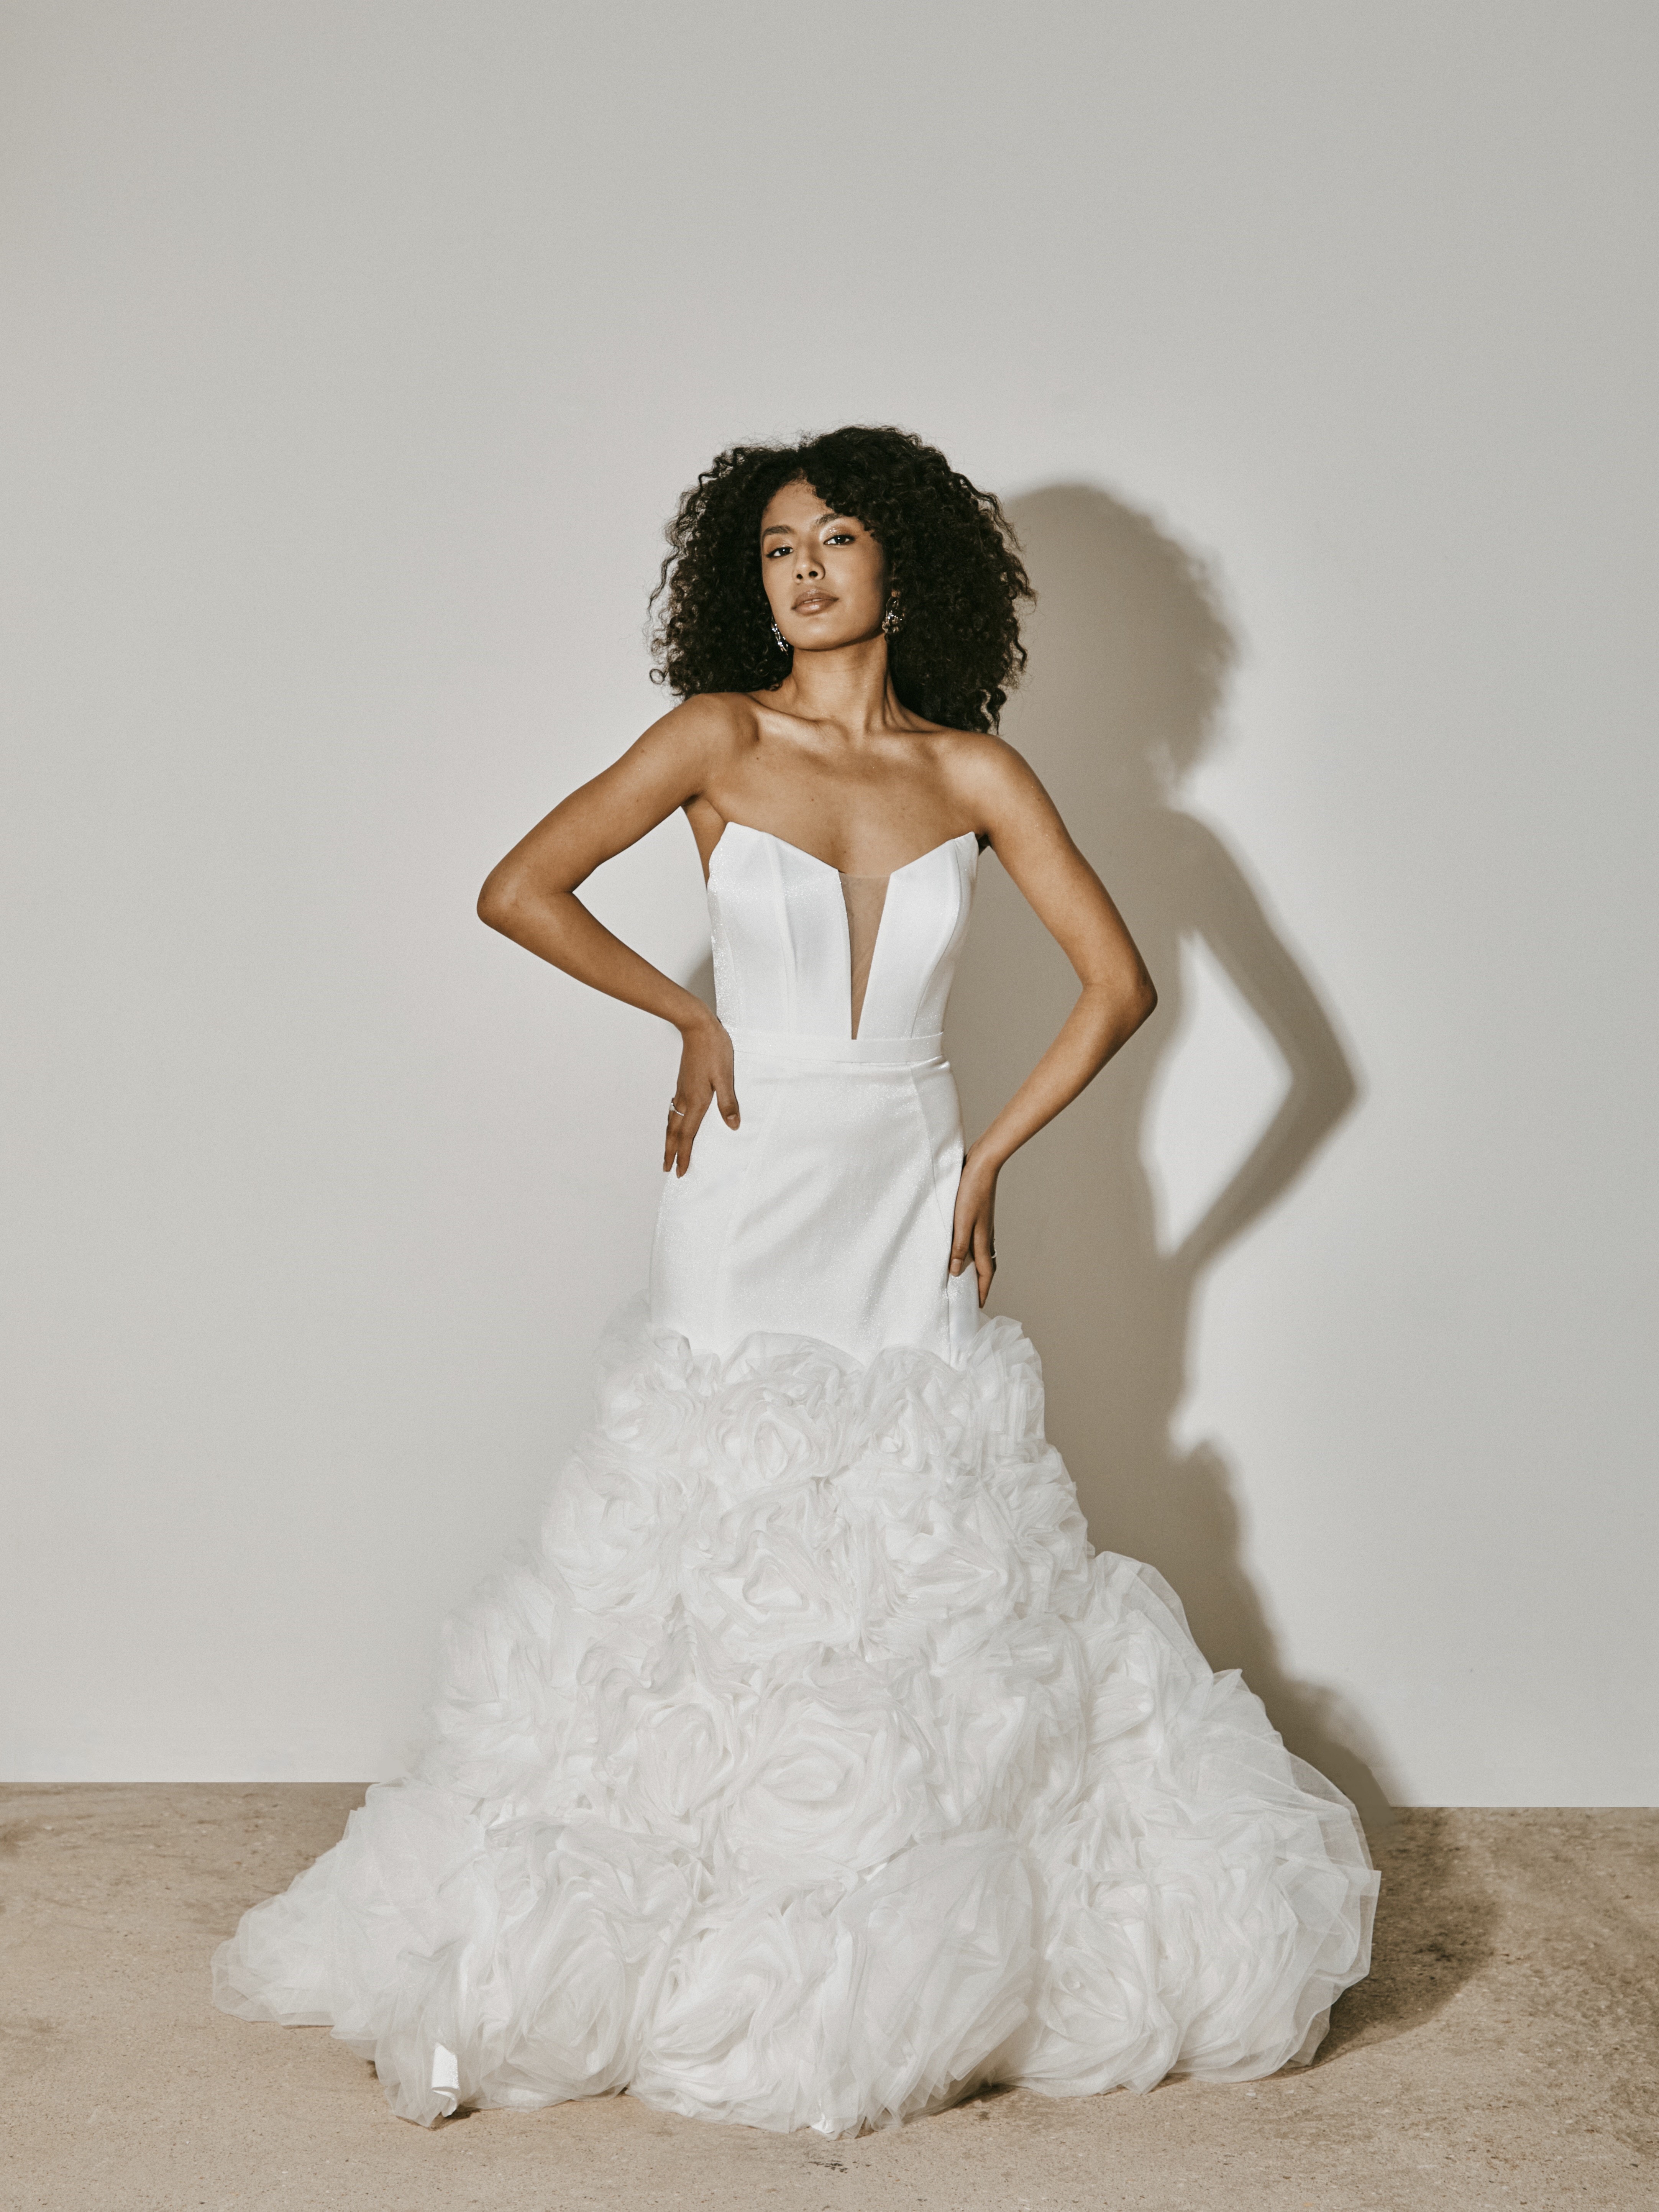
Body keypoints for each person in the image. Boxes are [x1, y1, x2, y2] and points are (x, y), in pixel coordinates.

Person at [212, 425, 1377, 2136]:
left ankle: (898, 1890)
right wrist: (688, 1014)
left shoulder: (974, 772)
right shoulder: (715, 736)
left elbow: (1118, 986)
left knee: (927, 1526)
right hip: (747, 1178)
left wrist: (986, 1157)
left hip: (905, 1172)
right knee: (711, 1516)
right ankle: (652, 1902)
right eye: (776, 546)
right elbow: (517, 889)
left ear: (906, 561)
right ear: (745, 580)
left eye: (836, 536)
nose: (806, 569)